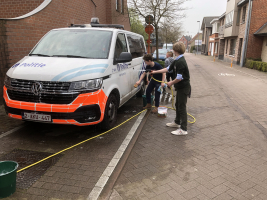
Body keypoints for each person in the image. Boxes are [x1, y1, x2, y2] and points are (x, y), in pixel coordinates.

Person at [151, 42, 191, 135]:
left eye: (173, 49)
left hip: (183, 87)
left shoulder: (181, 62)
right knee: (177, 105)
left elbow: (179, 78)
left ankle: (183, 129)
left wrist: (171, 82)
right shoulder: (176, 60)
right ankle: (177, 122)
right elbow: (167, 69)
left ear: (175, 50)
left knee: (182, 107)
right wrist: (156, 72)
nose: (172, 50)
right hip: (180, 87)